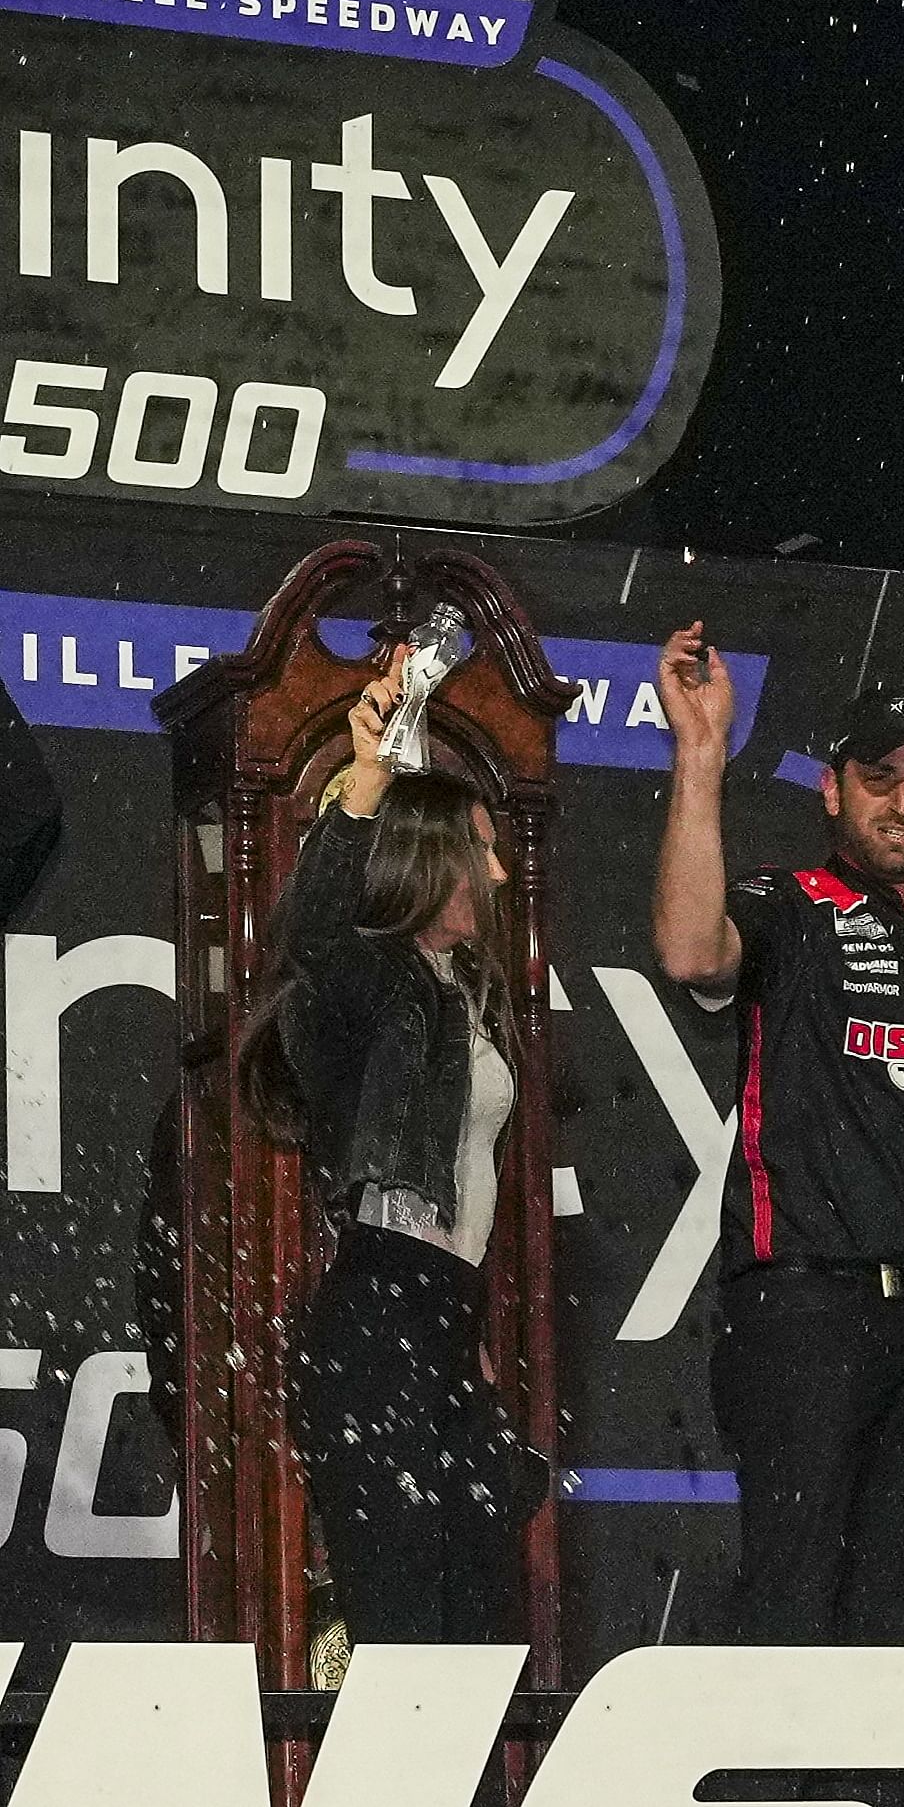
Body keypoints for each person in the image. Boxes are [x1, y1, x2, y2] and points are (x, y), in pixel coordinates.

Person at [652, 643, 904, 1647]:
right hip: (804, 1307)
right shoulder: (791, 906)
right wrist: (700, 756)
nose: (901, 805)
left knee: (897, 1613)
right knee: (796, 1595)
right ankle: (784, 1800)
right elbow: (690, 949)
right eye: (877, 780)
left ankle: (868, 1797)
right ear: (832, 790)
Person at [247, 652, 526, 1645]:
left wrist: (474, 1341)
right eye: (479, 851)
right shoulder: (374, 985)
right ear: (427, 860)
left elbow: (466, 1187)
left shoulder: (462, 991)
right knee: (410, 1634)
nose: (497, 872)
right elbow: (313, 933)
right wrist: (366, 772)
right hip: (380, 1317)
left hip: (444, 1320)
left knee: (483, 1631)